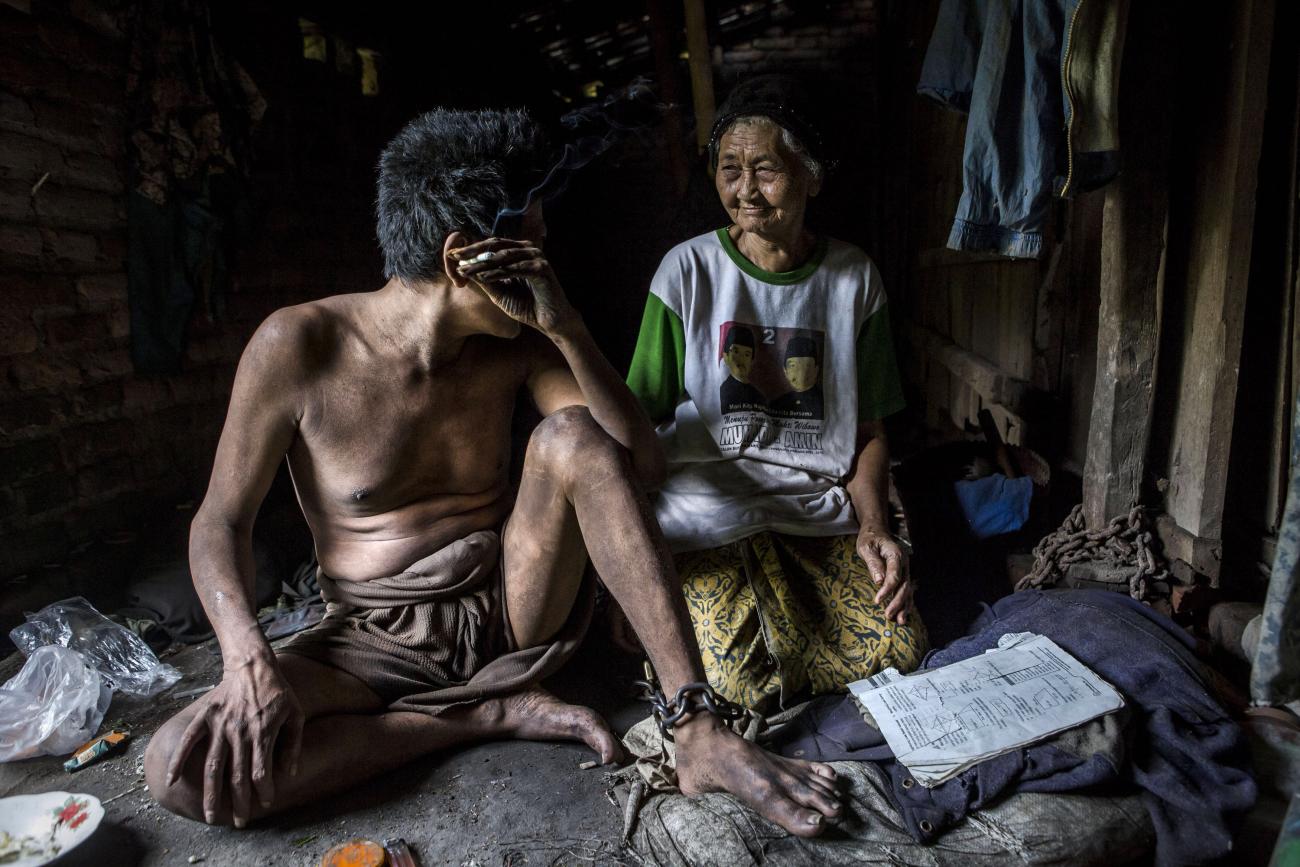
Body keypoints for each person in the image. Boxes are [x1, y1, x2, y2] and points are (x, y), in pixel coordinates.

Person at [142, 107, 844, 836]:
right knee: (179, 764)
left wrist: (566, 325)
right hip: (366, 643)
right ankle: (480, 716)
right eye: (532, 241)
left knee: (572, 434)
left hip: (511, 609)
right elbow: (219, 520)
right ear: (462, 258)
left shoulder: (519, 338)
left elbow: (640, 462)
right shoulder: (298, 345)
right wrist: (246, 656)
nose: (547, 259)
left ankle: (697, 727)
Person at [626, 75, 928, 712]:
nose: (744, 191)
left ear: (812, 177)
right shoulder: (685, 272)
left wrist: (876, 524)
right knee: (739, 685)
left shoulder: (854, 278)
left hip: (814, 507)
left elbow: (870, 433)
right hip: (704, 513)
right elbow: (635, 421)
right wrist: (629, 570)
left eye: (764, 169)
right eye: (729, 170)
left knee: (899, 652)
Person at [770, 335, 824, 419]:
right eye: (793, 365)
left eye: (807, 365)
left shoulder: (825, 402)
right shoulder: (776, 404)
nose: (800, 372)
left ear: (816, 370)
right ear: (785, 371)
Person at [720, 324, 768, 413]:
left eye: (747, 354)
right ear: (726, 356)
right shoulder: (722, 391)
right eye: (736, 351)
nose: (741, 359)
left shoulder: (759, 397)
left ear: (752, 361)